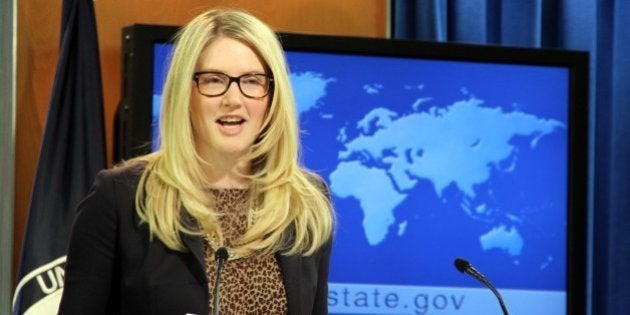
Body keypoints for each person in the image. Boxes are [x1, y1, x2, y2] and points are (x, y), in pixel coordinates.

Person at [58, 8, 334, 315]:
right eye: (215, 80)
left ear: (272, 96)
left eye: (252, 81)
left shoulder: (304, 201)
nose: (233, 98)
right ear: (184, 94)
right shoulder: (122, 197)